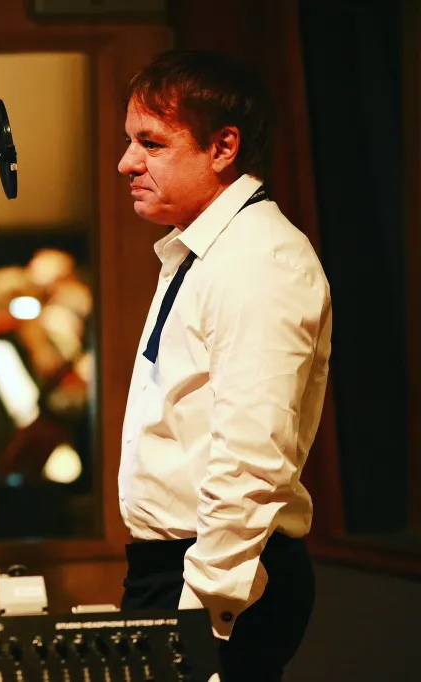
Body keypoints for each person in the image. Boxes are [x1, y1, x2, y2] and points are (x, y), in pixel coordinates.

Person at [116, 50, 331, 682]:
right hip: (178, 567)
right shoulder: (206, 250)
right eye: (130, 141)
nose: (127, 162)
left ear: (223, 147)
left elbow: (253, 460)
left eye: (151, 143)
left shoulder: (259, 260)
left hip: (225, 577)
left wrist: (202, 613)